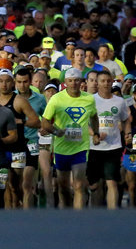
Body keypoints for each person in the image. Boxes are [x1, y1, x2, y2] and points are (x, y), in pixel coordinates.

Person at [41, 68, 99, 209]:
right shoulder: (56, 99)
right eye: (70, 81)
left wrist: (96, 132)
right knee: (64, 187)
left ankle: (78, 217)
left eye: (76, 80)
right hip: (61, 148)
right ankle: (66, 213)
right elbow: (45, 122)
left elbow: (94, 117)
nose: (73, 84)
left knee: (78, 184)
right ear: (65, 82)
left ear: (81, 82)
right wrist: (57, 131)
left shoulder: (89, 99)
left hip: (81, 147)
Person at [0, 71, 40, 209]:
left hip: (18, 148)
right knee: (4, 184)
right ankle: (9, 214)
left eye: (7, 81)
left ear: (12, 82)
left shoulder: (19, 101)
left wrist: (21, 121)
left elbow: (36, 121)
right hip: (0, 149)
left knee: (18, 185)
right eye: (1, 81)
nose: (4, 84)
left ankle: (23, 209)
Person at [90, 71, 128, 209]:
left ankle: (113, 214)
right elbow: (84, 123)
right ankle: (96, 215)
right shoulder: (90, 100)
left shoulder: (119, 101)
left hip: (113, 147)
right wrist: (94, 134)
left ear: (112, 82)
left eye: (108, 81)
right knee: (96, 185)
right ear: (97, 83)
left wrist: (126, 132)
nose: (105, 84)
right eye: (102, 81)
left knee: (111, 182)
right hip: (94, 147)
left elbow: (125, 120)